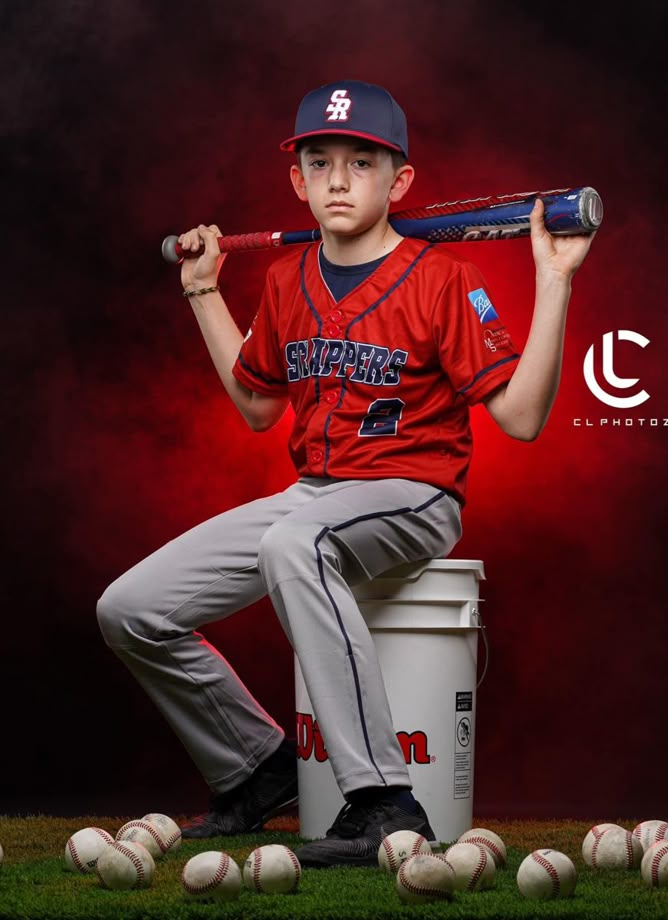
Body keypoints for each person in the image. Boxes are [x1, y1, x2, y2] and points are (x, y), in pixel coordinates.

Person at [96, 79, 595, 867]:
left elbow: (523, 420)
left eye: (361, 162)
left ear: (399, 182)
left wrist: (555, 279)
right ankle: (256, 768)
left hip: (415, 495)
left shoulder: (442, 278)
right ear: (296, 180)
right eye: (319, 161)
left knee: (295, 542)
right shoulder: (287, 281)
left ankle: (384, 801)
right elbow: (260, 407)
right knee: (129, 608)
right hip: (313, 499)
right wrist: (202, 296)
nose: (336, 179)